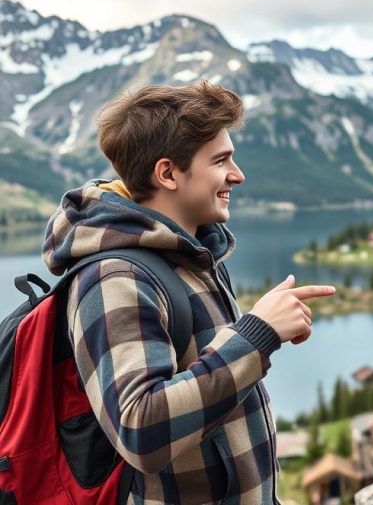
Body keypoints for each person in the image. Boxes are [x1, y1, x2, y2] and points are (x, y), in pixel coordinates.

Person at [42, 82, 335, 503]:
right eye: (220, 161)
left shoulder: (190, 256)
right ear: (167, 173)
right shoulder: (114, 278)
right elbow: (140, 428)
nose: (238, 175)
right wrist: (257, 335)